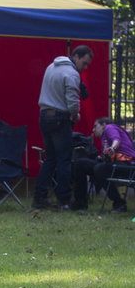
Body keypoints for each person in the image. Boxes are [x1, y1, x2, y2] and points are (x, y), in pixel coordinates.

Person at [32, 46, 93, 210]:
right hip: (60, 118)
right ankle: (64, 200)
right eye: (84, 63)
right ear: (76, 56)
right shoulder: (72, 74)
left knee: (50, 159)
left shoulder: (51, 67)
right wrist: (75, 115)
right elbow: (73, 101)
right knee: (64, 160)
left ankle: (40, 197)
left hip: (44, 116)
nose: (85, 67)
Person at [78, 117, 135, 213]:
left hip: (127, 164)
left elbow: (116, 139)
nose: (93, 129)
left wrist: (112, 148)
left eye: (95, 126)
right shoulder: (104, 138)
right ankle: (79, 203)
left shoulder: (109, 127)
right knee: (80, 163)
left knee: (100, 169)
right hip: (113, 164)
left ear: (104, 124)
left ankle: (119, 203)